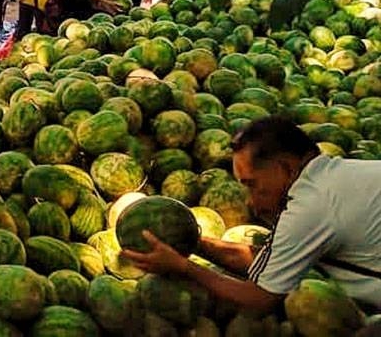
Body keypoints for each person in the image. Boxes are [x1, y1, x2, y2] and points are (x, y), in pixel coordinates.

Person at [122, 116, 381, 312]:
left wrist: (183, 267)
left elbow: (260, 297)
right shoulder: (338, 175)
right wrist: (193, 243)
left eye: (252, 184)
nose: (250, 200)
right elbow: (271, 262)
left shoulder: (310, 207)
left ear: (285, 168)